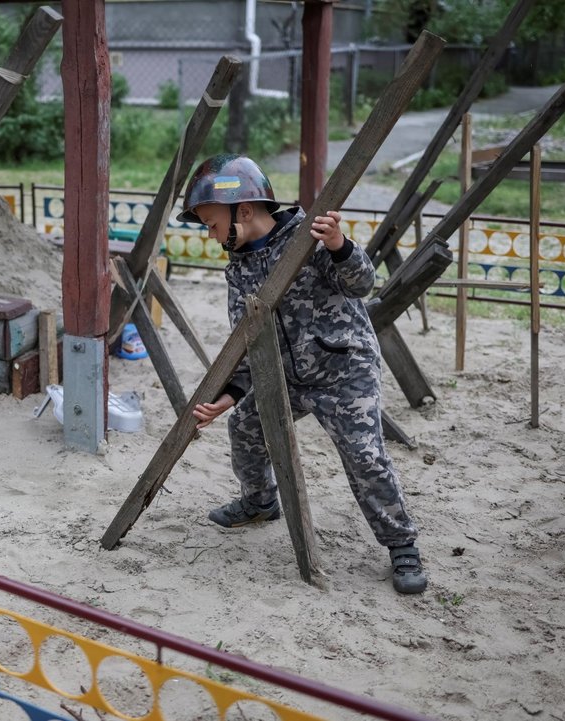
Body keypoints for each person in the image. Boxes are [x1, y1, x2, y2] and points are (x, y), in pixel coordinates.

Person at [179, 153, 427, 594]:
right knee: (245, 428)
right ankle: (259, 503)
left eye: (212, 222)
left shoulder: (308, 236)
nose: (210, 233)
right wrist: (232, 393)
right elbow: (248, 338)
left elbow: (362, 284)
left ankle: (401, 544)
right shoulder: (238, 268)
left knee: (364, 455)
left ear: (246, 210)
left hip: (342, 369)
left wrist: (338, 244)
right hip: (285, 377)